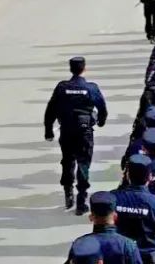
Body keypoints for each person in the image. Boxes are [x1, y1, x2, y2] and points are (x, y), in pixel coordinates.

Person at [44, 57, 108, 214]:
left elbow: (51, 109)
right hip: (84, 132)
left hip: (66, 130)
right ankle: (81, 200)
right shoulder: (91, 88)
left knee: (67, 161)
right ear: (84, 69)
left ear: (70, 69)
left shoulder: (62, 87)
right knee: (83, 164)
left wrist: (49, 130)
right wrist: (101, 121)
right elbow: (102, 108)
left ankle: (68, 194)